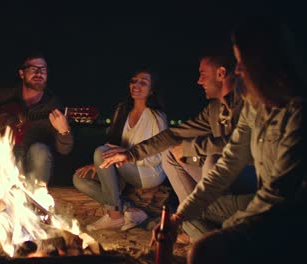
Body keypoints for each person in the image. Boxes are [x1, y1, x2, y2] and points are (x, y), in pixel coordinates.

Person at [153, 17, 306, 263]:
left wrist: (232, 228)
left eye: (243, 61)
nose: (239, 70)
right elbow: (230, 161)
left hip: (290, 215)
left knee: (203, 249)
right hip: (263, 202)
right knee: (192, 208)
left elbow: (279, 194)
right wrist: (177, 217)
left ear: (266, 62)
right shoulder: (254, 107)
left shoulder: (297, 112)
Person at [99, 51, 256, 240]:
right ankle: (195, 223)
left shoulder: (250, 104)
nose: (199, 81)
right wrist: (131, 154)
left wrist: (192, 148)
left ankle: (200, 221)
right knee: (171, 155)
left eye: (203, 74)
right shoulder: (214, 109)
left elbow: (239, 146)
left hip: (249, 176)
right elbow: (174, 134)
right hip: (223, 178)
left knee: (211, 162)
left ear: (221, 74)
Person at [73, 69, 168, 231]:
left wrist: (124, 153)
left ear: (152, 90)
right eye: (134, 81)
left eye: (143, 82)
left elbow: (159, 158)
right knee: (79, 179)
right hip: (124, 168)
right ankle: (130, 210)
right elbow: (112, 146)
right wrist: (98, 165)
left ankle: (114, 217)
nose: (136, 85)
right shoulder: (122, 110)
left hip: (149, 171)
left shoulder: (157, 117)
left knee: (101, 152)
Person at [0, 53, 73, 188]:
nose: (39, 73)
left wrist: (64, 131)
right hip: (6, 154)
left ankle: (35, 198)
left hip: (33, 159)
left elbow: (65, 150)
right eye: (33, 69)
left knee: (40, 150)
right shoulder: (6, 95)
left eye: (43, 69)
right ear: (22, 73)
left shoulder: (53, 106)